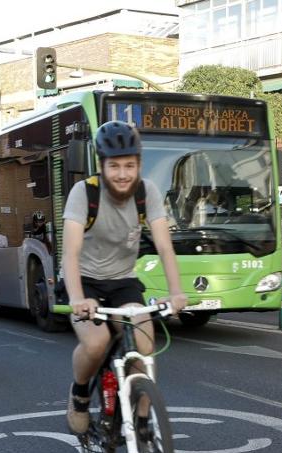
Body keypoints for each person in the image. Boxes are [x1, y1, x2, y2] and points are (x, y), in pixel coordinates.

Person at [60, 120, 189, 435]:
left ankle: (143, 419)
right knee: (97, 342)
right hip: (84, 280)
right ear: (101, 165)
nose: (122, 173)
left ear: (139, 164)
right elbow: (70, 254)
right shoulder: (84, 193)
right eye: (114, 165)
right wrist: (77, 298)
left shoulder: (148, 192)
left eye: (129, 165)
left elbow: (164, 246)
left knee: (144, 341)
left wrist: (176, 293)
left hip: (123, 281)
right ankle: (78, 395)